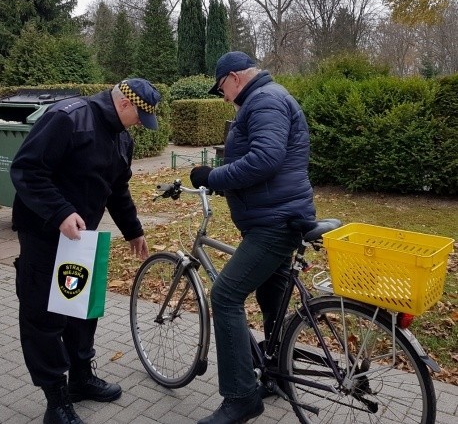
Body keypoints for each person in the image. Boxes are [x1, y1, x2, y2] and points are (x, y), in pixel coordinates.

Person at [10, 78, 161, 424]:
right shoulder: (68, 118)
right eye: (139, 116)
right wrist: (60, 211)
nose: (140, 124)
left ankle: (80, 378)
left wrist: (134, 231)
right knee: (44, 318)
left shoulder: (122, 138)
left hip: (81, 240)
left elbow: (117, 190)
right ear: (125, 104)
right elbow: (27, 170)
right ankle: (56, 399)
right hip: (44, 234)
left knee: (81, 311)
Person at [190, 51, 316, 424]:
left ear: (234, 78)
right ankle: (274, 374)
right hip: (282, 216)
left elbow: (265, 158)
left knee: (226, 296)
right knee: (270, 297)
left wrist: (212, 177)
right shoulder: (268, 98)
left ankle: (241, 397)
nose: (222, 96)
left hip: (274, 223)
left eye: (221, 89)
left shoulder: (264, 100)